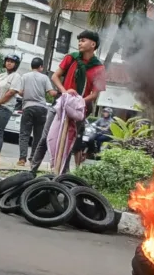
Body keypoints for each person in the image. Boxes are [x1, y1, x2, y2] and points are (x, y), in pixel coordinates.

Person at [30, 30, 107, 172]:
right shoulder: (71, 58)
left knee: (69, 142)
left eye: (83, 40)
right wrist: (65, 94)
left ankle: (62, 174)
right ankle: (32, 170)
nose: (79, 43)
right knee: (45, 137)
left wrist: (77, 102)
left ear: (93, 44)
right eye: (79, 40)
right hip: (60, 103)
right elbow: (55, 76)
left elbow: (95, 94)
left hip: (79, 109)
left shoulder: (98, 68)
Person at [17, 57, 57, 166]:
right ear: (40, 67)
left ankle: (22, 159)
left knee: (24, 134)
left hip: (28, 107)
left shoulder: (25, 76)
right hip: (41, 109)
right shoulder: (44, 78)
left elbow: (20, 92)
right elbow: (51, 93)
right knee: (37, 135)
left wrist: (27, 94)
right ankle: (33, 158)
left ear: (31, 66)